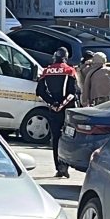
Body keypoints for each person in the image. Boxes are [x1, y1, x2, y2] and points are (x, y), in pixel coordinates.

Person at [35, 47, 77, 178]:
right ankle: (65, 165)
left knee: (56, 138)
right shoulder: (70, 71)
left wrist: (52, 104)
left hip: (53, 110)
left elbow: (40, 92)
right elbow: (72, 93)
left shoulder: (46, 71)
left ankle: (58, 167)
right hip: (68, 110)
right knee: (68, 137)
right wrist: (62, 105)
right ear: (66, 57)